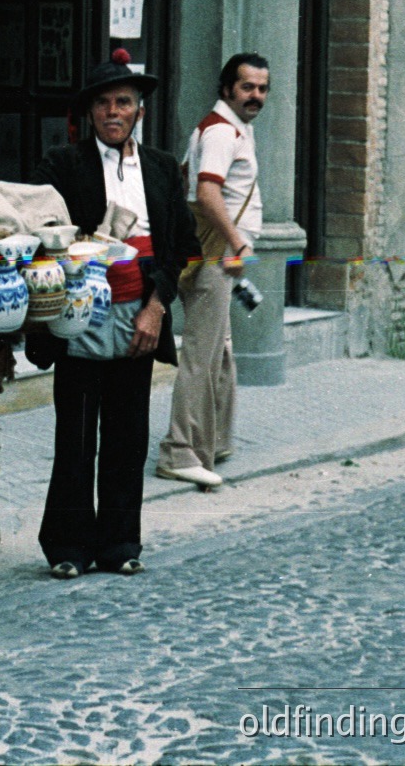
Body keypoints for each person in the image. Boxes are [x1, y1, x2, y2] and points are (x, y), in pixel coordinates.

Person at [29, 48, 200, 577]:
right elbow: (41, 237)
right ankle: (68, 548)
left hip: (137, 313)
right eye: (102, 103)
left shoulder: (164, 169)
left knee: (128, 432)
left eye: (123, 102)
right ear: (89, 113)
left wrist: (155, 308)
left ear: (138, 111)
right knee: (76, 433)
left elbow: (181, 247)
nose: (113, 112)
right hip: (81, 315)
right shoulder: (62, 164)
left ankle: (121, 544)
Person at [156, 53, 270, 488]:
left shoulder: (229, 127)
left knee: (219, 349)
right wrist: (237, 242)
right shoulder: (223, 132)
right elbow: (206, 192)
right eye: (247, 87)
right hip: (218, 250)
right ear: (227, 90)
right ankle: (180, 451)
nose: (255, 96)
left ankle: (215, 439)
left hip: (219, 251)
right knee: (202, 355)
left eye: (262, 88)